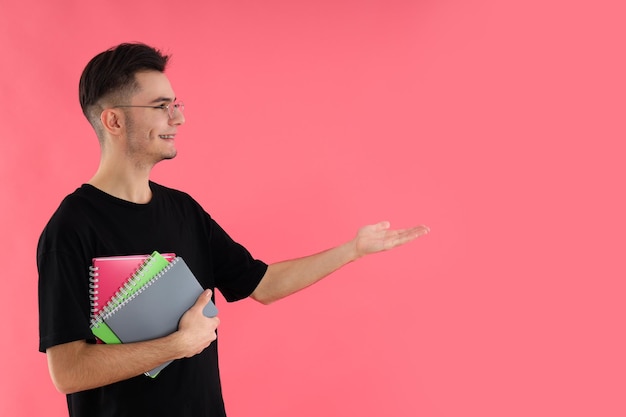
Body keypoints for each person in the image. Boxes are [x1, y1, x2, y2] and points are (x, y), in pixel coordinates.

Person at [37, 42, 429, 417]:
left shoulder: (184, 210)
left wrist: (353, 249)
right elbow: (69, 371)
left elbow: (263, 284)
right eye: (161, 107)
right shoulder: (71, 228)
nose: (178, 118)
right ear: (114, 120)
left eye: (176, 105)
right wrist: (178, 345)